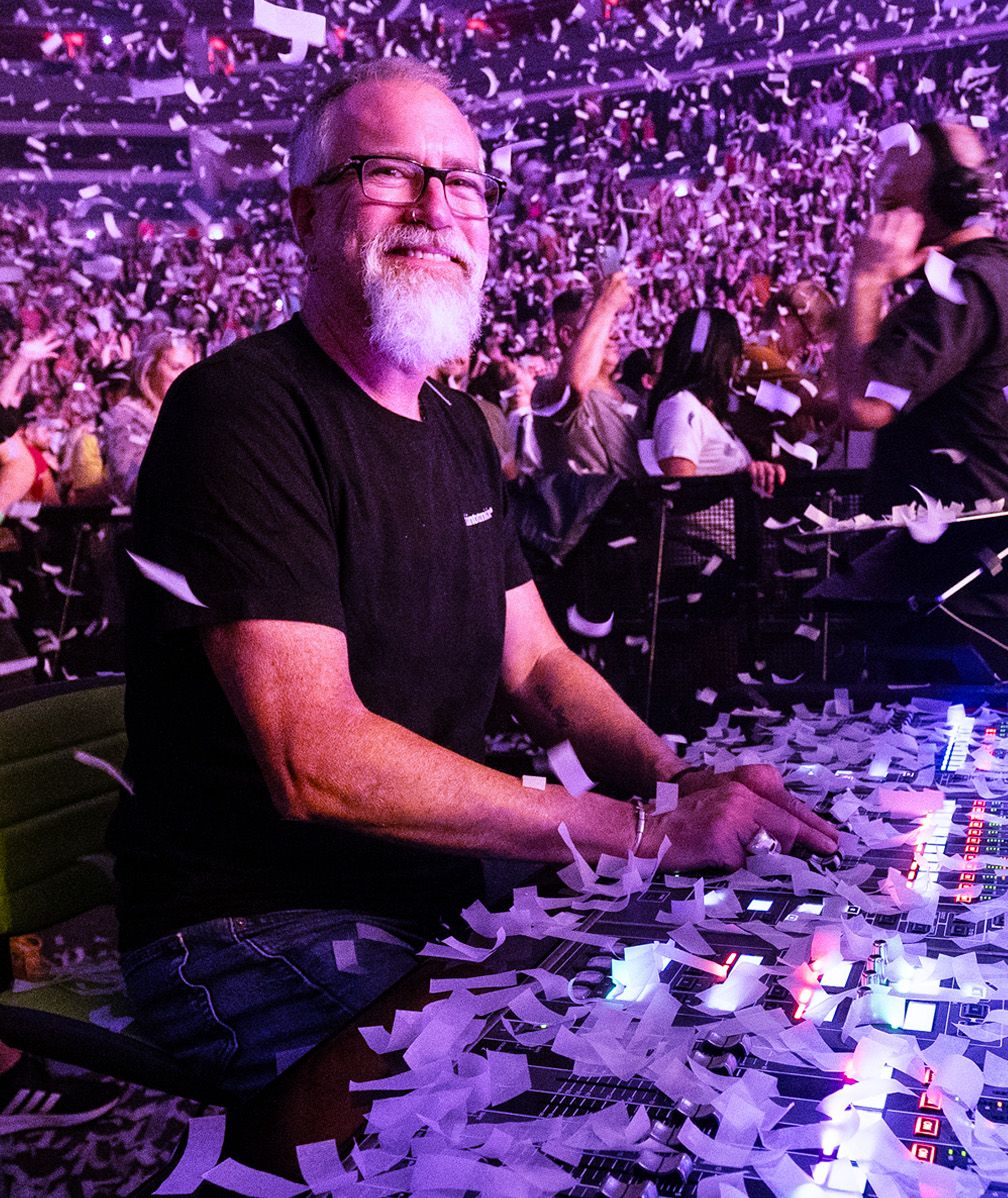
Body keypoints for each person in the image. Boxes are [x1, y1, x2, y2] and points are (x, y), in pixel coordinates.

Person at [107, 59, 835, 1099]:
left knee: (673, 1047)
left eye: (463, 180)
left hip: (432, 892)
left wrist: (676, 783)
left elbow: (538, 666)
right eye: (389, 172)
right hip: (251, 921)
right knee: (539, 1105)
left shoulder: (452, 426)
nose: (437, 205)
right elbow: (315, 757)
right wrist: (643, 829)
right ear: (306, 215)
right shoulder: (241, 413)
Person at [828, 120, 1008, 518]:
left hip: (953, 561)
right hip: (970, 554)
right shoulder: (992, 275)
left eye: (889, 206)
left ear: (946, 200)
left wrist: (866, 279)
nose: (878, 225)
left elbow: (862, 405)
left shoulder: (964, 285)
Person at [651, 306, 786, 495]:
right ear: (720, 355)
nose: (740, 360)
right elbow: (679, 494)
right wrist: (738, 481)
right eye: (735, 349)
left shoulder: (708, 412)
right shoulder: (680, 407)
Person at [522, 272, 646, 479]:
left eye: (612, 323)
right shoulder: (546, 390)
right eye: (602, 324)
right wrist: (604, 304)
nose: (616, 334)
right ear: (568, 336)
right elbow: (574, 386)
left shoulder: (630, 394)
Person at [100, 330, 196, 502]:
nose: (187, 377)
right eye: (177, 367)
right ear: (149, 369)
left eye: (192, 369)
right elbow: (130, 481)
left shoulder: (189, 415)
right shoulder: (126, 416)